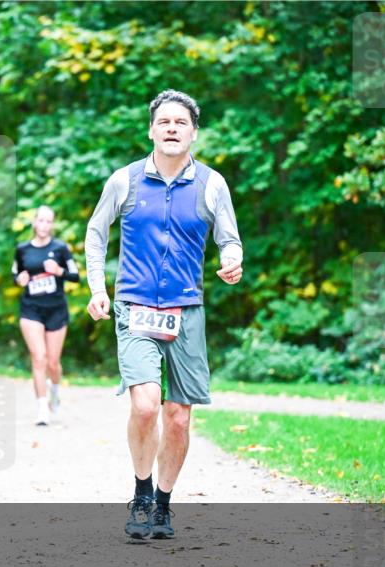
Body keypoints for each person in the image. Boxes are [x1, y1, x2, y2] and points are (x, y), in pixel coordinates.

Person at [84, 90, 243, 539]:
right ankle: (141, 492)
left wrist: (233, 260)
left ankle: (164, 505)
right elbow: (96, 234)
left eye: (181, 122)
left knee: (178, 417)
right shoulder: (125, 181)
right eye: (164, 122)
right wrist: (98, 287)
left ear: (194, 132)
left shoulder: (212, 184)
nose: (172, 128)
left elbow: (229, 239)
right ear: (151, 130)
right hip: (134, 307)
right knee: (146, 404)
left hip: (186, 310)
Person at [12, 206, 80, 426]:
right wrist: (19, 279)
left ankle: (54, 389)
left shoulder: (61, 248)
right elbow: (16, 273)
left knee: (53, 362)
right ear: (34, 223)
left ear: (52, 225)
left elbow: (76, 276)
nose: (44, 225)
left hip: (56, 310)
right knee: (38, 358)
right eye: (41, 220)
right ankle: (42, 408)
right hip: (31, 309)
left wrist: (58, 271)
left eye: (48, 221)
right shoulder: (22, 249)